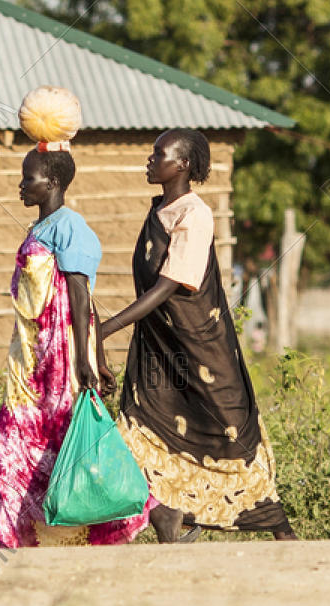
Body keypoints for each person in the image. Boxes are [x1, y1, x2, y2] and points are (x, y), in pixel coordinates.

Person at [97, 129, 297, 542]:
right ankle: (167, 511)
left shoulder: (195, 215)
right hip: (160, 349)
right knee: (141, 427)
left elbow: (169, 285)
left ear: (183, 164)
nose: (150, 160)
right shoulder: (159, 212)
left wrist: (106, 329)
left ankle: (275, 523)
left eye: (159, 154)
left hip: (201, 347)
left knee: (228, 431)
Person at [0, 145, 153, 549]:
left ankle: (137, 514)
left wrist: (87, 359)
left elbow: (82, 297)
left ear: (54, 182)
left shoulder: (70, 227)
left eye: (29, 177)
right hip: (35, 358)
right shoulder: (38, 230)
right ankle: (36, 535)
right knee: (20, 440)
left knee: (69, 446)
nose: (21, 185)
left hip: (63, 357)